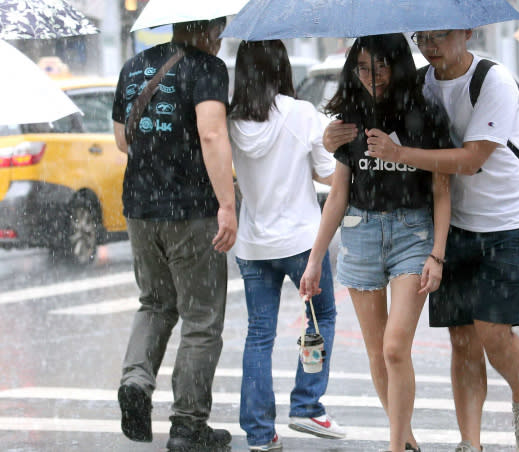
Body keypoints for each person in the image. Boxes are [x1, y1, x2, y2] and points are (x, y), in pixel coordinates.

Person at [359, 29, 519, 452]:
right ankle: (471, 442)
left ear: (467, 32)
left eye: (440, 36)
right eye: (421, 37)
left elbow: (471, 159)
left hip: (509, 222)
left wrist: (401, 153)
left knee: (493, 331)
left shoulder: (493, 80)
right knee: (462, 338)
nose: (429, 45)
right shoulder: (420, 85)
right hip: (454, 225)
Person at [299, 33, 452, 452]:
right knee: (376, 352)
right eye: (363, 68)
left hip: (412, 233)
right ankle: (407, 442)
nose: (372, 77)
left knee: (395, 347)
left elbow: (441, 188)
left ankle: (394, 447)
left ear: (397, 64)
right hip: (360, 233)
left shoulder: (422, 110)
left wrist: (437, 253)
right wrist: (314, 261)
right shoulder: (350, 116)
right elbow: (339, 193)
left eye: (380, 67)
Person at [111, 18, 236, 452]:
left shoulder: (134, 66)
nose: (220, 40)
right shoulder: (208, 69)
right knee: (201, 320)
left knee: (156, 303)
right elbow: (212, 132)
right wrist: (227, 204)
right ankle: (187, 426)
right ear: (206, 29)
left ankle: (136, 382)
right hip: (191, 211)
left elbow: (122, 140)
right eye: (219, 31)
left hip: (140, 207)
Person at [228, 40, 346, 451]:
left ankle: (260, 433)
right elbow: (331, 176)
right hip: (301, 242)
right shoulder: (301, 114)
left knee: (258, 335)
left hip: (254, 244)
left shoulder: (232, 121)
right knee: (322, 317)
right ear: (281, 67)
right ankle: (307, 404)